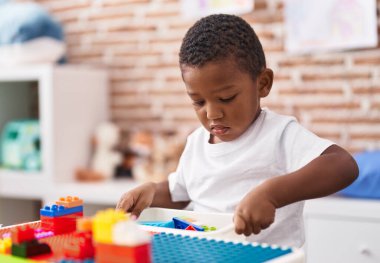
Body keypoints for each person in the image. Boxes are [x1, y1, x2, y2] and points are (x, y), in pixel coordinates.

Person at [116, 14, 358, 247]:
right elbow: (178, 192)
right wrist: (150, 191)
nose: (212, 114)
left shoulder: (279, 133)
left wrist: (271, 194)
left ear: (263, 84)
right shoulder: (196, 142)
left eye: (227, 98)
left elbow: (342, 165)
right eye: (198, 102)